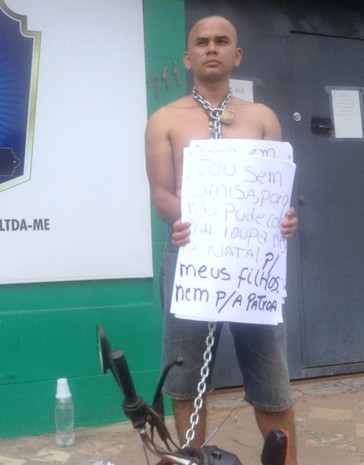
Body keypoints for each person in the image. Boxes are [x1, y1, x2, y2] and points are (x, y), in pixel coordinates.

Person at [145, 16, 299, 465]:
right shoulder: (165, 120)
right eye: (202, 42)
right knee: (186, 377)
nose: (212, 48)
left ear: (237, 55)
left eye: (222, 41)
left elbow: (275, 195)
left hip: (253, 266)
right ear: (188, 57)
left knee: (272, 380)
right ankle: (193, 458)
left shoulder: (263, 118)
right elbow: (160, 194)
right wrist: (185, 217)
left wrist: (284, 219)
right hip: (191, 256)